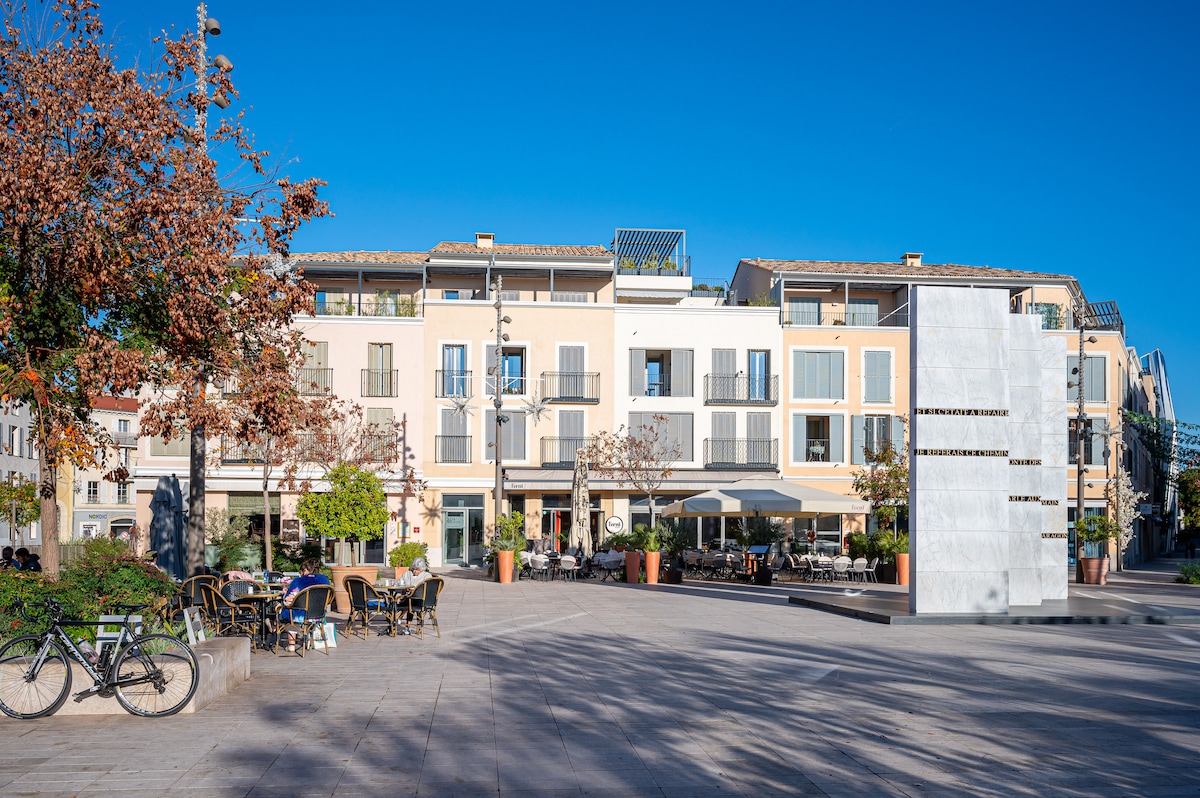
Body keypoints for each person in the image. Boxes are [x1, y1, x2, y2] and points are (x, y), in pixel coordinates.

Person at [277, 558, 330, 652]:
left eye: (300, 571)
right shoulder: (324, 582)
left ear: (305, 570)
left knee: (291, 619)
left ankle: (291, 645)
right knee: (302, 616)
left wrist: (285, 595)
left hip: (301, 615)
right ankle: (310, 640)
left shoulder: (298, 582)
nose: (300, 573)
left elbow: (288, 601)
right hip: (318, 614)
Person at [397, 557, 431, 635]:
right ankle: (407, 626)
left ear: (422, 569)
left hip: (421, 599)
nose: (415, 571)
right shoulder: (407, 574)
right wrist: (405, 589)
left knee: (411, 602)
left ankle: (402, 620)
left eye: (417, 569)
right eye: (414, 569)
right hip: (407, 597)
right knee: (410, 601)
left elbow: (428, 589)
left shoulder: (426, 576)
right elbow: (400, 584)